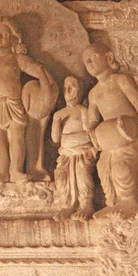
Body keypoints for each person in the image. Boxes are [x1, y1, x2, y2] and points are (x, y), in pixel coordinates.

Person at [0, 18, 49, 183]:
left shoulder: (17, 58)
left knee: (16, 137)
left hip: (14, 103)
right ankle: (1, 171)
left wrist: (42, 74)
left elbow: (34, 70)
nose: (1, 37)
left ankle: (16, 170)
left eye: (5, 34)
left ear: (13, 38)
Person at [83, 43, 138, 220]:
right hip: (110, 136)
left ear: (109, 58)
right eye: (85, 62)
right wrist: (92, 138)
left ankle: (129, 200)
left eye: (92, 57)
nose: (88, 63)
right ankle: (112, 203)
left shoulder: (121, 79)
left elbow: (136, 98)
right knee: (102, 165)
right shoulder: (93, 93)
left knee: (120, 163)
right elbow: (93, 119)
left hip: (129, 129)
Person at [51, 76, 96, 221]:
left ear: (80, 90)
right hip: (65, 153)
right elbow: (55, 139)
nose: (68, 90)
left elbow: (89, 133)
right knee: (61, 176)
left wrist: (72, 141)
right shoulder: (58, 114)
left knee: (82, 175)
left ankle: (86, 205)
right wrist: (56, 125)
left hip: (81, 151)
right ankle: (67, 205)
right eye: (65, 87)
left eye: (72, 87)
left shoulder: (82, 110)